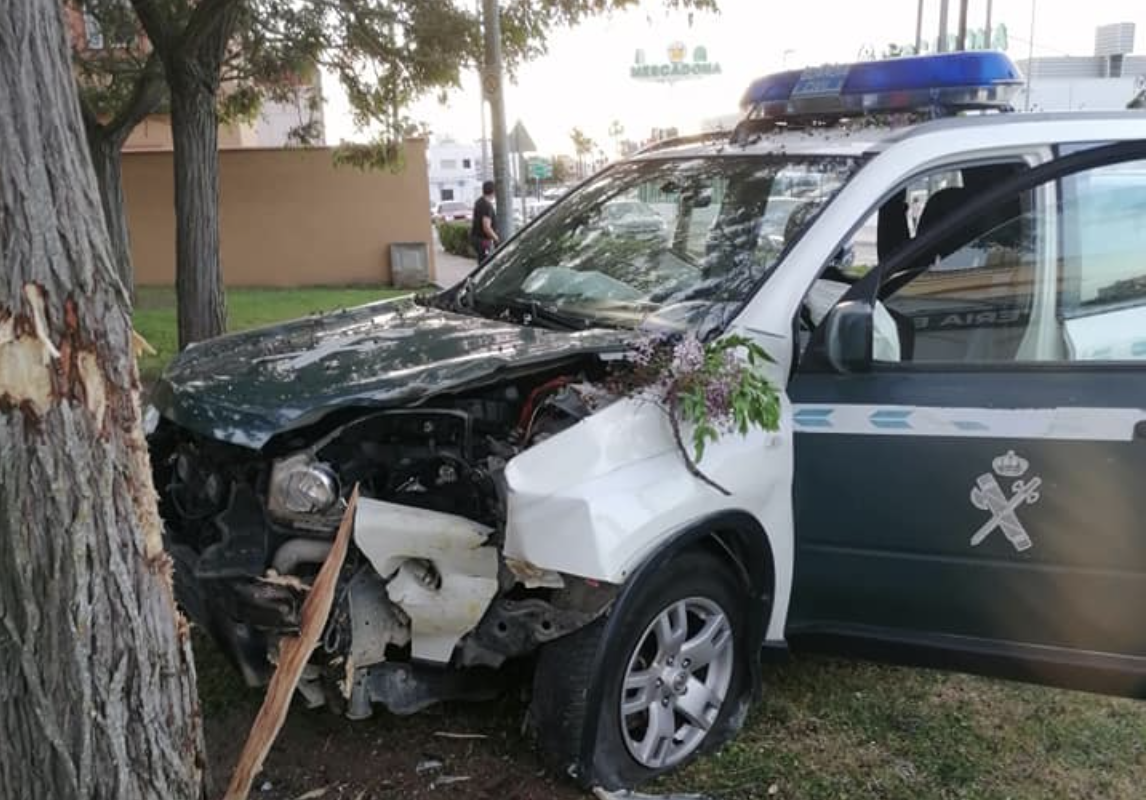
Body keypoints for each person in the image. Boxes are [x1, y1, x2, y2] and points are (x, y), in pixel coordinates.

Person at [471, 181, 499, 263]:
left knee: (482, 263)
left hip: (476, 238)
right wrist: (496, 239)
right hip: (483, 241)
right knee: (485, 264)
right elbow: (486, 227)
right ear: (493, 191)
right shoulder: (486, 205)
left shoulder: (479, 201)